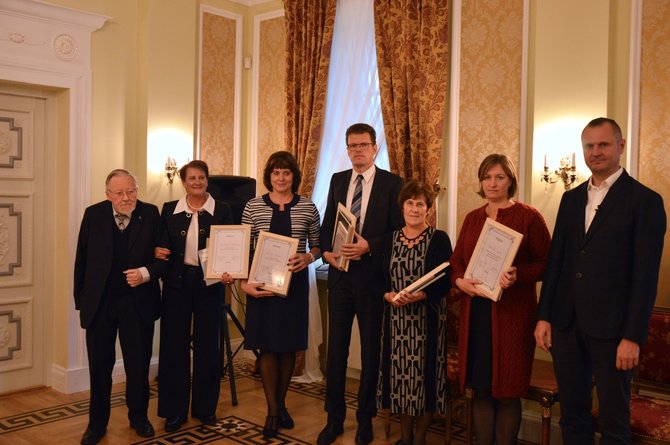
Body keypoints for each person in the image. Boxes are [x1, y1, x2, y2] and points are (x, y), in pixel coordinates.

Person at [534, 117, 666, 445]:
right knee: (573, 414)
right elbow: (557, 262)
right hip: (566, 323)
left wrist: (633, 336)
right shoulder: (571, 198)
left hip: (614, 331)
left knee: (613, 420)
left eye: (603, 144)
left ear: (620, 146)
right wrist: (544, 315)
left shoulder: (645, 201)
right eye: (589, 146)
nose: (596, 152)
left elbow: (645, 276)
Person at [450, 154, 551, 445]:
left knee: (507, 392)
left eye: (499, 177)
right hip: (477, 312)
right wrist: (459, 281)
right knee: (481, 389)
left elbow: (548, 262)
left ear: (510, 181)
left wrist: (518, 274)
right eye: (487, 177)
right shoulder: (473, 218)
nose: (492, 183)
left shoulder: (529, 216)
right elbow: (456, 260)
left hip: (512, 316)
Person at [318, 123, 404, 445]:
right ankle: (334, 418)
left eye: (363, 145)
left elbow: (398, 232)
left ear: (374, 148)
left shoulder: (393, 184)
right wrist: (326, 252)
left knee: (371, 353)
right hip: (339, 278)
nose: (357, 151)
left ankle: (365, 418)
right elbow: (328, 225)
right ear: (347, 148)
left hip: (372, 281)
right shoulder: (338, 180)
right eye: (352, 146)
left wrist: (369, 246)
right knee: (336, 352)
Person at [74, 169, 163, 445]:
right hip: (101, 305)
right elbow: (82, 261)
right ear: (108, 194)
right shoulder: (93, 214)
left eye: (131, 191)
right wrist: (82, 301)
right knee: (100, 367)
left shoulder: (150, 214)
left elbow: (164, 258)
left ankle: (139, 418)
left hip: (137, 304)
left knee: (138, 367)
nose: (126, 198)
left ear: (137, 190)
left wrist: (145, 273)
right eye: (120, 193)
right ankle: (96, 424)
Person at [238, 151, 321, 438]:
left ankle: (280, 405)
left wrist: (308, 259)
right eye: (276, 172)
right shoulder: (253, 206)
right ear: (269, 176)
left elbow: (318, 246)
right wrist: (243, 281)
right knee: (268, 347)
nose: (281, 177)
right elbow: (243, 247)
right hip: (261, 285)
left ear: (294, 176)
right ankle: (273, 411)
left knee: (287, 347)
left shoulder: (308, 207)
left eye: (286, 172)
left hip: (294, 287)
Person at [156, 160, 233, 432]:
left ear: (207, 180)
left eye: (202, 178)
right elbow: (161, 246)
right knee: (173, 348)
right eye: (192, 178)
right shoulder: (169, 211)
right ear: (183, 181)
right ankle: (174, 411)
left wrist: (230, 270)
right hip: (177, 285)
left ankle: (204, 408)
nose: (198, 182)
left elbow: (232, 247)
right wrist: (158, 252)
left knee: (208, 348)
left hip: (210, 286)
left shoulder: (223, 211)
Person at [377, 180, 452, 445]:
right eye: (410, 203)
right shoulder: (390, 239)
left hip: (427, 322)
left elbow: (446, 280)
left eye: (420, 204)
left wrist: (422, 295)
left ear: (428, 209)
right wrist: (387, 295)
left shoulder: (439, 239)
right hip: (396, 323)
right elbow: (381, 279)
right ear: (402, 207)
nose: (415, 208)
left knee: (425, 380)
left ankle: (419, 438)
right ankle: (405, 437)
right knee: (400, 379)